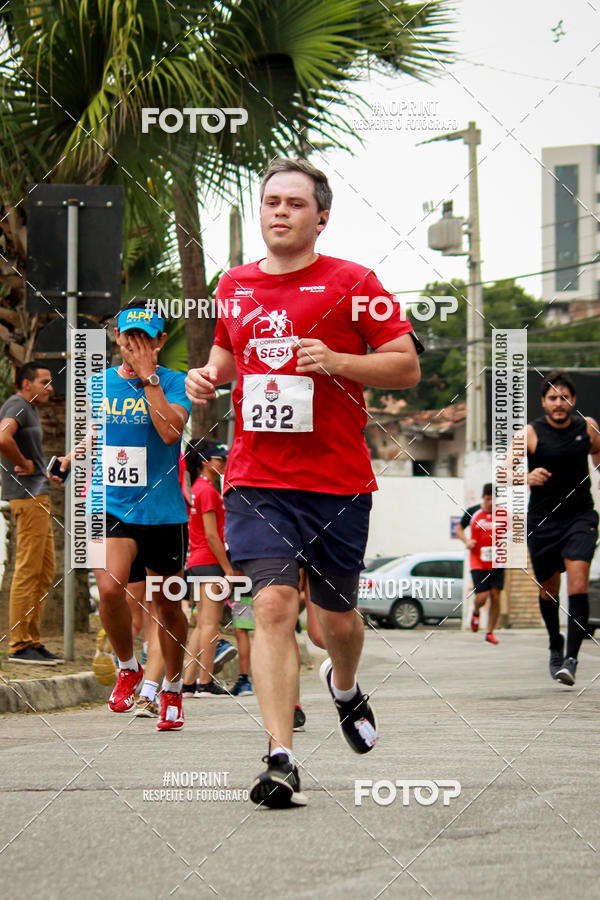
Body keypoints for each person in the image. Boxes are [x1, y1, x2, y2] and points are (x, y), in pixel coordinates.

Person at [186, 157, 421, 807]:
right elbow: (226, 356)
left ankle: (343, 686)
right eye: (270, 202)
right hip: (257, 478)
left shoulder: (354, 282)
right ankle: (279, 754)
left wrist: (338, 360)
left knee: (334, 623)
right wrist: (207, 377)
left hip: (336, 482)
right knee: (271, 606)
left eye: (294, 202)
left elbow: (404, 366)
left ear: (321, 216)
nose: (280, 211)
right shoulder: (233, 285)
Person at [66, 299, 192, 729]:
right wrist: (74, 456)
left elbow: (170, 430)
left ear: (159, 341)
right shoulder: (98, 383)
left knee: (169, 607)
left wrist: (149, 379)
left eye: (143, 338)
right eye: (127, 338)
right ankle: (127, 666)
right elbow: (96, 431)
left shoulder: (176, 382)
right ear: (117, 339)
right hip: (111, 502)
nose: (133, 346)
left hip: (163, 511)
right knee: (110, 590)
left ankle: (173, 689)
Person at [526, 370, 600, 685]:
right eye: (553, 397)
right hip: (542, 521)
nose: (560, 402)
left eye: (565, 397)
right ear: (544, 401)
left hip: (580, 516)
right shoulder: (529, 433)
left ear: (573, 400)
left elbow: (598, 456)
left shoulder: (589, 427)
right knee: (549, 590)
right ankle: (555, 642)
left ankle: (570, 659)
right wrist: (525, 477)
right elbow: (504, 471)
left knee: (578, 585)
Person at [0, 363, 64, 665]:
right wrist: (23, 464)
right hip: (26, 498)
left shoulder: (29, 408)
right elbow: (2, 437)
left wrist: (39, 467)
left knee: (44, 571)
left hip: (38, 495)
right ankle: (18, 643)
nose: (50, 388)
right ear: (26, 383)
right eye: (44, 382)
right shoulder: (17, 405)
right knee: (28, 570)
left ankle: (32, 641)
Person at [182, 440, 236, 698]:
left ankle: (189, 683)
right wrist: (228, 569)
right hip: (209, 562)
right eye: (219, 459)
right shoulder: (206, 491)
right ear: (205, 461)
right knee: (211, 625)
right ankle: (205, 682)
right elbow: (213, 536)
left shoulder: (197, 489)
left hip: (197, 562)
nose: (223, 464)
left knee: (202, 624)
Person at [456, 483, 503, 644]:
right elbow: (459, 529)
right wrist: (467, 541)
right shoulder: (473, 512)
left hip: (497, 560)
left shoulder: (503, 514)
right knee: (482, 597)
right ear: (483, 498)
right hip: (478, 560)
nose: (491, 503)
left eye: (494, 500)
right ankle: (476, 611)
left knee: (496, 597)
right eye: (488, 499)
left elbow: (513, 532)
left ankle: (490, 632)